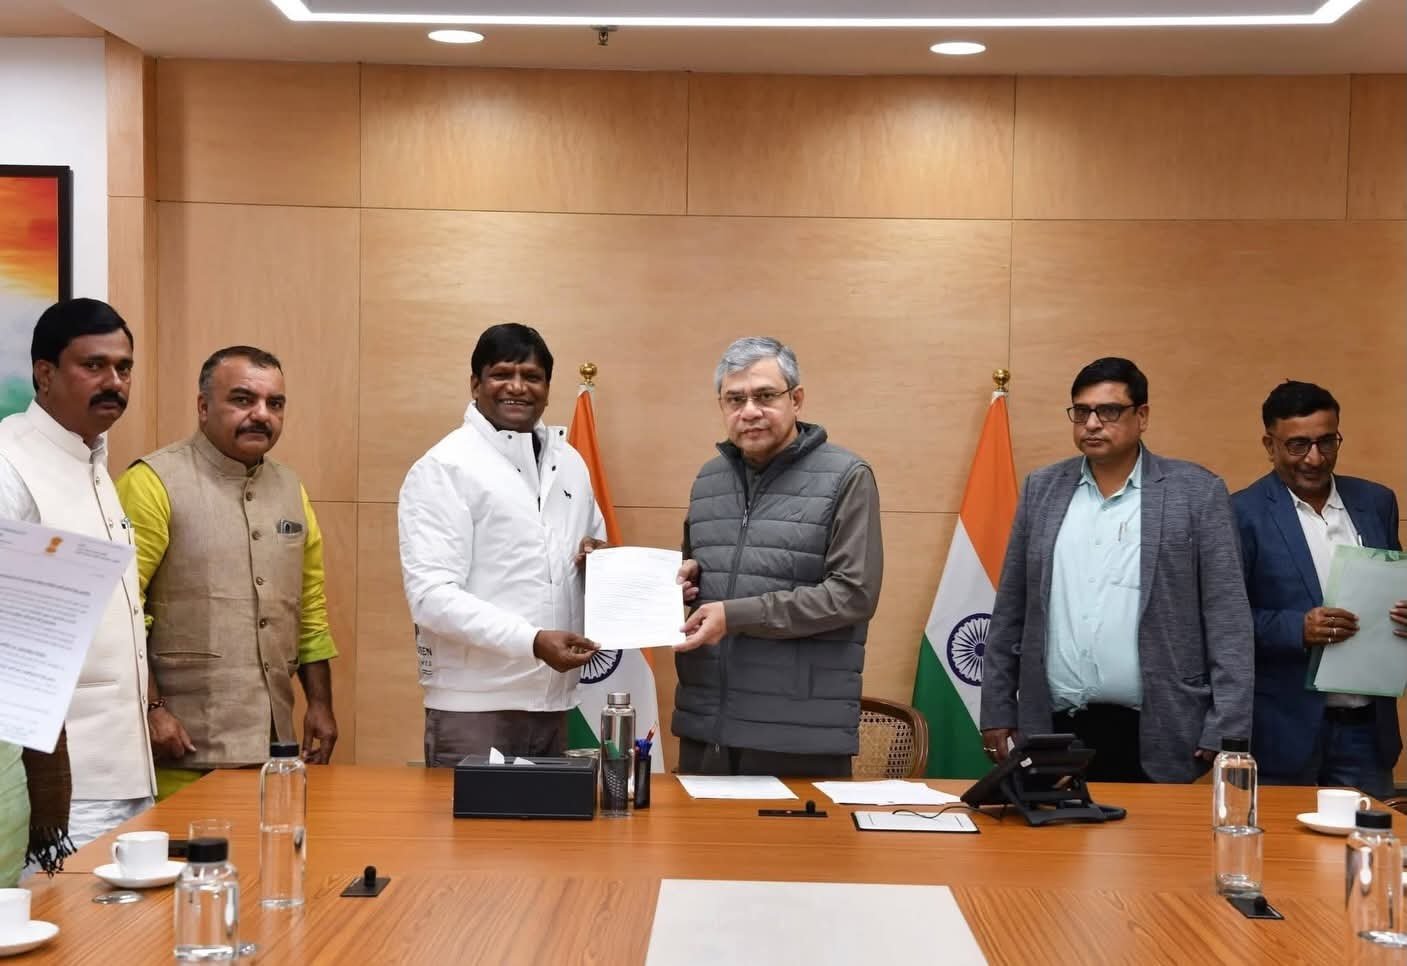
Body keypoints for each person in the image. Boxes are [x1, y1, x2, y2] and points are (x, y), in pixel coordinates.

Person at [980, 357, 1252, 783]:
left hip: (1161, 727)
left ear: (1142, 416)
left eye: (1108, 411)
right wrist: (997, 708)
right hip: (1053, 727)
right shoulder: (1042, 489)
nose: (1092, 424)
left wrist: (1228, 724)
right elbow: (1011, 608)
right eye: (1081, 411)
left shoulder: (1197, 493)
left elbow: (1228, 618)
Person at [116, 346, 340, 799]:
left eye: (275, 403)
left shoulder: (290, 489)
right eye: (242, 399)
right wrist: (152, 708)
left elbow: (309, 608)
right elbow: (117, 611)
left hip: (273, 751)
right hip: (179, 750)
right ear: (203, 407)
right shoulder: (152, 482)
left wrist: (320, 703)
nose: (261, 415)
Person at [673, 337, 883, 778]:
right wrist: (685, 581)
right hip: (706, 728)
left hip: (797, 735)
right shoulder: (708, 480)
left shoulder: (847, 476)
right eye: (735, 399)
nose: (749, 411)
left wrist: (735, 615)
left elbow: (853, 595)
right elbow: (701, 576)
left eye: (765, 396)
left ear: (796, 399)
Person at [398, 323, 605, 765]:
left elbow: (592, 549)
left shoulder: (571, 463)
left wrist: (600, 563)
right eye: (502, 374)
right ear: (475, 384)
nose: (517, 387)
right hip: (474, 709)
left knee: (556, 817)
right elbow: (431, 598)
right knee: (473, 817)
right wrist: (533, 641)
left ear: (547, 389)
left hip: (555, 704)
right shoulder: (444, 467)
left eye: (532, 376)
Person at [0, 298, 155, 865]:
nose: (114, 382)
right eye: (94, 365)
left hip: (128, 770)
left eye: (123, 367)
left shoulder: (94, 464)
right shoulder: (10, 462)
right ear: (45, 373)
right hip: (61, 789)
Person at [1233, 381, 1402, 800]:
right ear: (1270, 445)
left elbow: (1394, 585)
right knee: (1279, 843)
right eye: (1298, 445)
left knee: (1365, 838)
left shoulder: (1376, 502)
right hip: (1281, 730)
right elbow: (1223, 623)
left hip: (1366, 729)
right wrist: (1297, 629)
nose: (1315, 458)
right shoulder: (1241, 513)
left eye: (1327, 442)